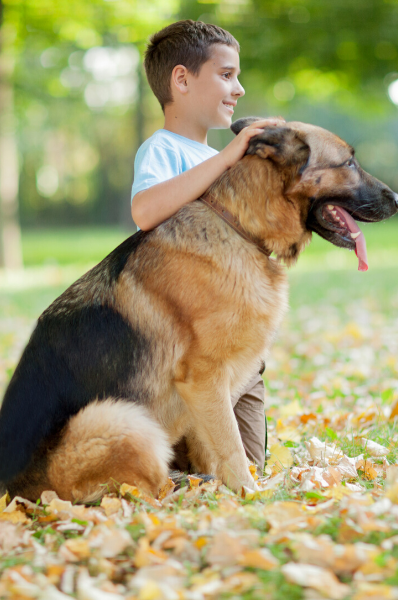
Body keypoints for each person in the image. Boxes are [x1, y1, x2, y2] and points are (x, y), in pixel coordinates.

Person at [131, 19, 282, 475]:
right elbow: (145, 212)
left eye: (237, 76)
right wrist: (228, 156)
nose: (238, 88)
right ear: (181, 80)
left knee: (250, 464)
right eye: (226, 74)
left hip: (239, 350)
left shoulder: (223, 157)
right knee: (190, 466)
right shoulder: (163, 149)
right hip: (189, 350)